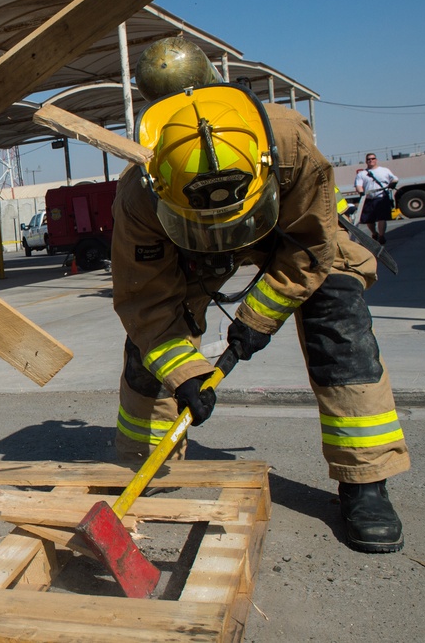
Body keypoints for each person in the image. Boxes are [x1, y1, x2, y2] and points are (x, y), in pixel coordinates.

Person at [111, 40, 409, 554]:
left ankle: (366, 480)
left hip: (286, 233)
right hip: (189, 245)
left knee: (340, 327)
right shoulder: (140, 191)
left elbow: (310, 247)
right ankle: (144, 466)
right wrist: (185, 371)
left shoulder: (290, 140)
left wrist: (257, 318)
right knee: (148, 352)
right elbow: (146, 304)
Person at [354, 154, 398, 244]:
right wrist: (361, 192)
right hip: (369, 199)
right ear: (366, 161)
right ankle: (374, 233)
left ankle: (381, 236)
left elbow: (395, 179)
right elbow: (358, 185)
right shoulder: (362, 174)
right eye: (369, 159)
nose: (371, 160)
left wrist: (393, 183)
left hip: (381, 197)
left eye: (373, 158)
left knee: (382, 218)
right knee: (369, 220)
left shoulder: (384, 170)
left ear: (376, 160)